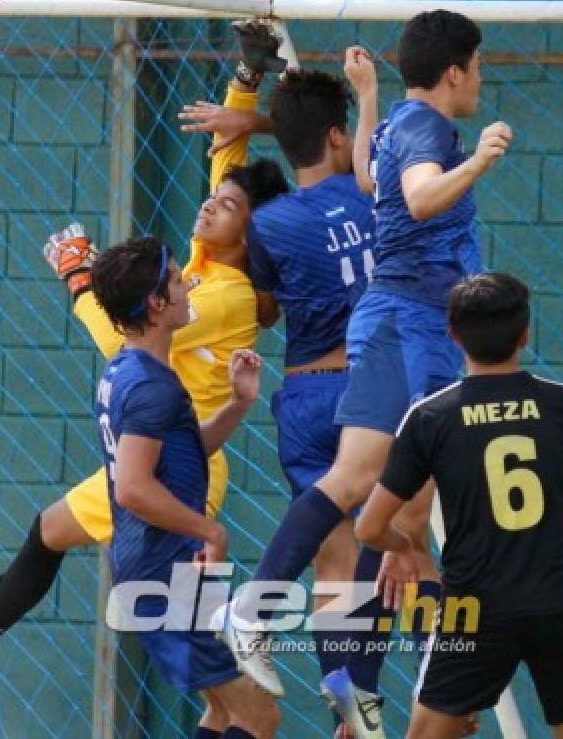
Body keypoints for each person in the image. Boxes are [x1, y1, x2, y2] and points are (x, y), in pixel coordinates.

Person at [0, 24, 288, 683]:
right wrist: (246, 76)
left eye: (227, 206)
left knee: (221, 687)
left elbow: (120, 335)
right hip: (158, 453)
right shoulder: (209, 258)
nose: (210, 204)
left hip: (177, 476)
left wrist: (80, 277)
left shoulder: (220, 296)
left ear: (254, 230)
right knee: (48, 531)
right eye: (215, 198)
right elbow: (227, 151)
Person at [216, 8, 512, 722]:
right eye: (476, 66)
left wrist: (367, 94)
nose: (480, 79)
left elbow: (377, 184)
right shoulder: (433, 133)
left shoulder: (400, 131)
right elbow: (412, 195)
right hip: (406, 328)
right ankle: (265, 621)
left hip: (399, 331)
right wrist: (480, 160)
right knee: (381, 499)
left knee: (401, 513)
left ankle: (366, 689)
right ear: (454, 70)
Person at [184, 49, 395, 739]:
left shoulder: (270, 224)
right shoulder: (376, 191)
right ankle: (357, 700)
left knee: (337, 560)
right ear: (342, 137)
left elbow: (268, 309)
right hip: (370, 390)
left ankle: (349, 705)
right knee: (381, 555)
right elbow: (366, 142)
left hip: (304, 397)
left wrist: (246, 119)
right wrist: (360, 97)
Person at [355, 272, 563, 739]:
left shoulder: (430, 418)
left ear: (453, 335)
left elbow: (369, 527)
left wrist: (410, 550)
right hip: (562, 603)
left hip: (476, 607)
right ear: (525, 334)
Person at [89, 235, 277, 739]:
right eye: (176, 279)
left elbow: (185, 453)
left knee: (222, 713)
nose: (188, 282)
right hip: (163, 570)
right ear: (156, 302)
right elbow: (132, 488)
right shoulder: (150, 385)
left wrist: (238, 404)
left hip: (163, 566)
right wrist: (209, 531)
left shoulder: (130, 370)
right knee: (258, 716)